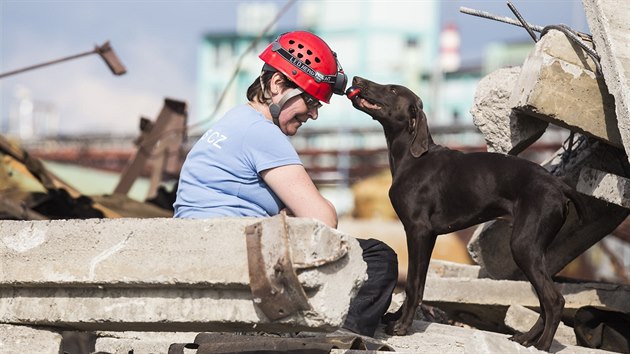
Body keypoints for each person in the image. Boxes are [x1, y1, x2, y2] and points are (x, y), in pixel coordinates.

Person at [174, 30, 398, 337]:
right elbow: (323, 221)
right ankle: (336, 336)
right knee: (378, 257)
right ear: (278, 84)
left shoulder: (234, 120)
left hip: (202, 246)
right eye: (310, 100)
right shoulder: (263, 133)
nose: (315, 114)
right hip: (236, 254)